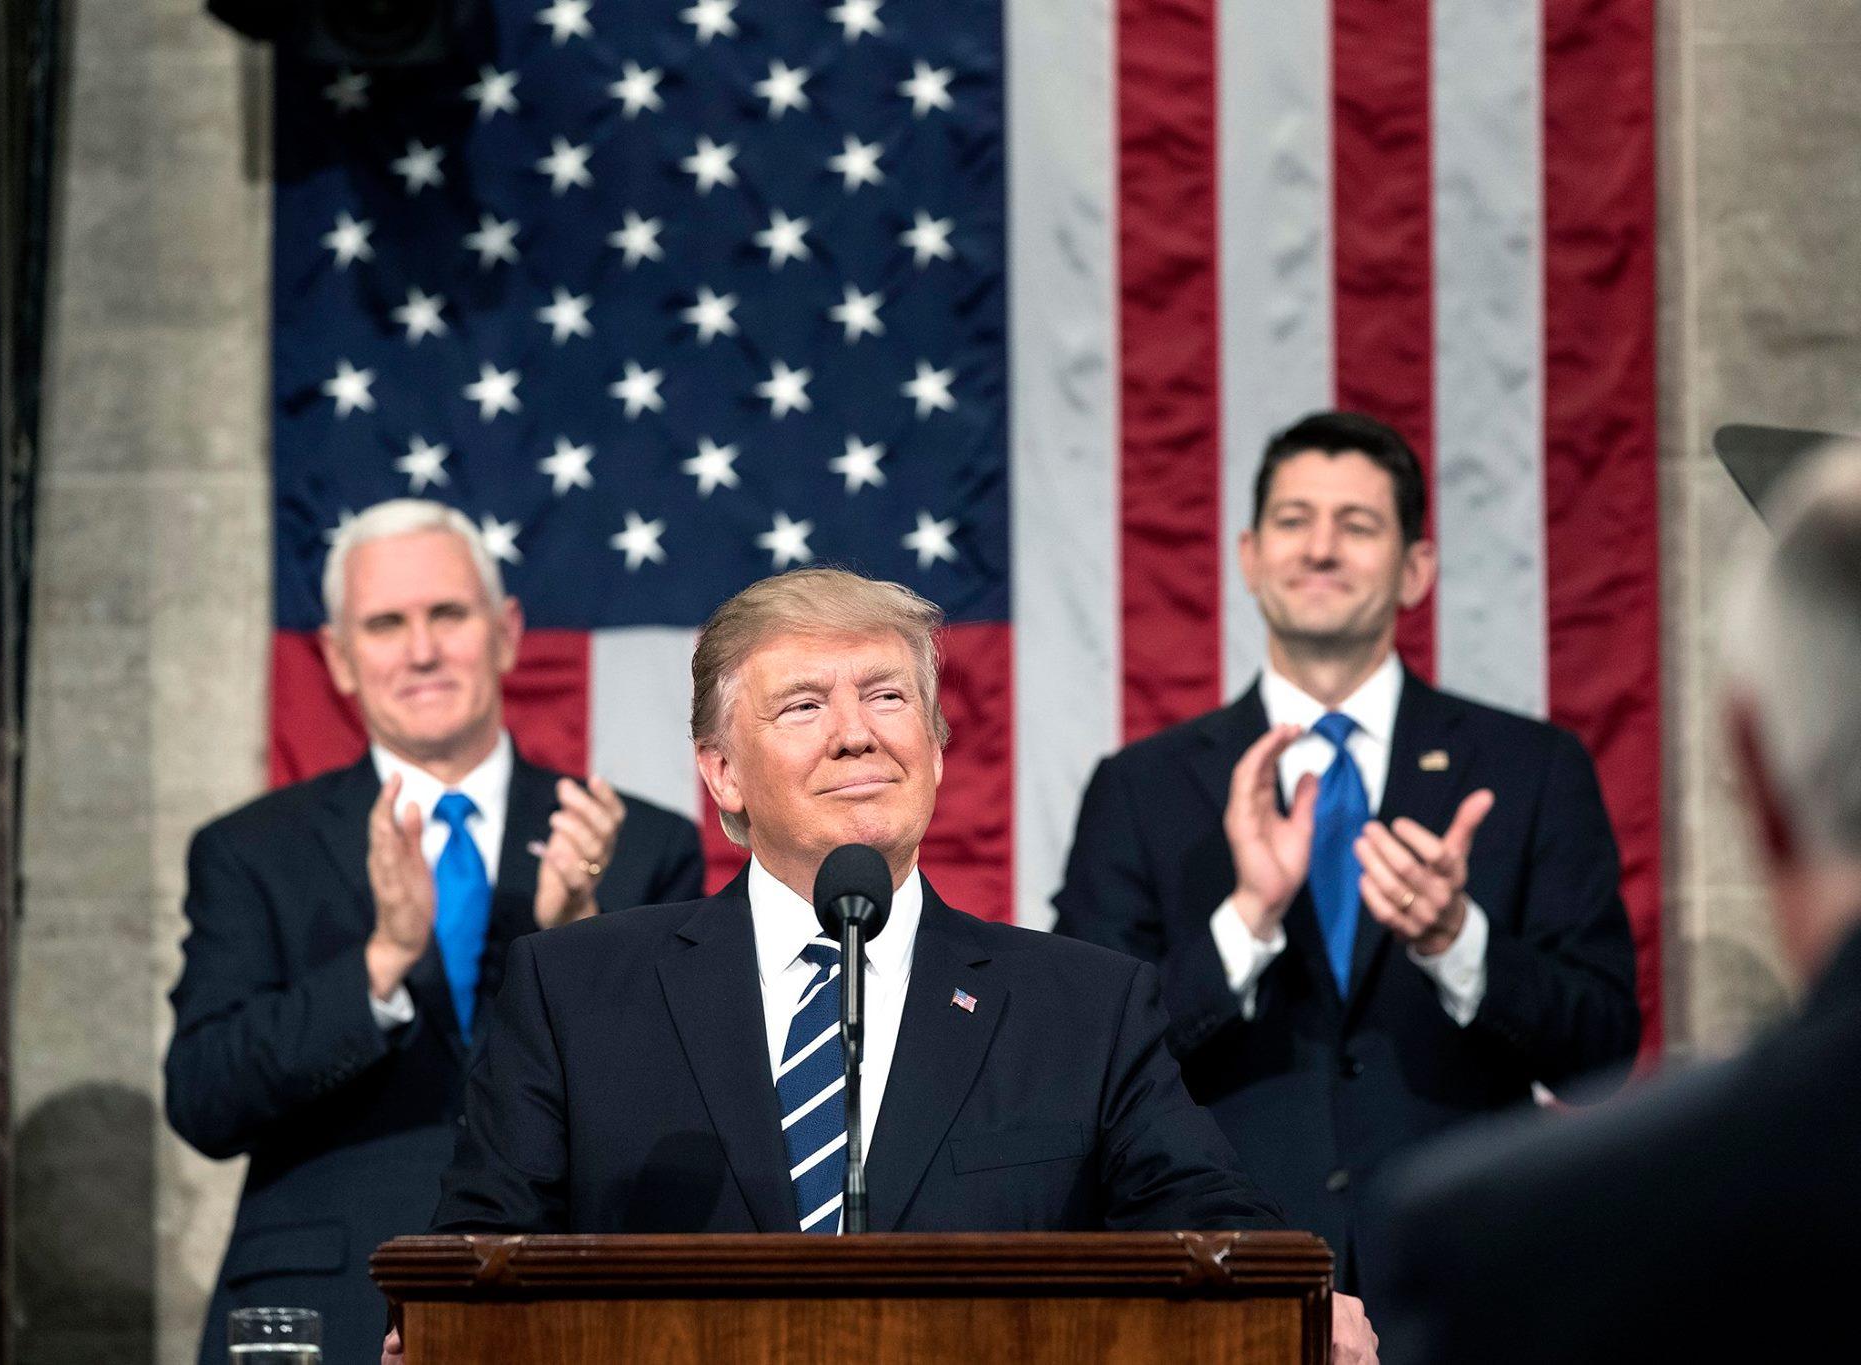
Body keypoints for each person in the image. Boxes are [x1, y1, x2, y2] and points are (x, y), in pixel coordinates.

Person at [410, 567, 1377, 1363]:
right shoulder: (575, 993)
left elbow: (1214, 1223)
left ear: (937, 746)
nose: (857, 731)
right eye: (802, 705)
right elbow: (474, 1261)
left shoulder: (1082, 1007)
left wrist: (1293, 1298)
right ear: (722, 774)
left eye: (886, 695)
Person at [1052, 411, 1640, 1288]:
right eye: (1294, 521)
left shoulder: (1531, 769)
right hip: (1223, 1282)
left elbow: (1602, 1056)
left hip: (1467, 1276)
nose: (1320, 548)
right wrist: (1245, 922)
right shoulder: (1141, 788)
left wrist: (1457, 942)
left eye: (1357, 525)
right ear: (1249, 556)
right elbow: (1078, 1065)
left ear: (1416, 569)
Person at [164, 499, 704, 1365]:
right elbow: (202, 1098)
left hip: (566, 1312)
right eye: (385, 623)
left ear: (506, 632)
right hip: (321, 1316)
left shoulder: (640, 844)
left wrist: (578, 934)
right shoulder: (250, 850)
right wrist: (380, 961)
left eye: (447, 614)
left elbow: (678, 1114)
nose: (421, 649)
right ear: (340, 657)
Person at [1365, 453, 1861, 1362]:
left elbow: (1594, 1033)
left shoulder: (1524, 1241)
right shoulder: (1147, 791)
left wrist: (1457, 939)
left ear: (1748, 766)